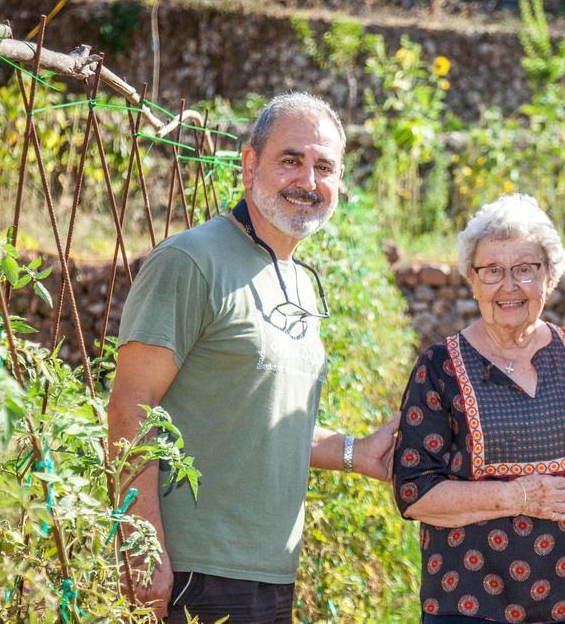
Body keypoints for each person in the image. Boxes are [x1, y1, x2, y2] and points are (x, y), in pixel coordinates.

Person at [107, 92, 398, 623]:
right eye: (290, 160)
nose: (307, 181)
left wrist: (356, 453)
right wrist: (142, 547)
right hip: (194, 568)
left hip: (272, 572)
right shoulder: (190, 261)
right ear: (249, 165)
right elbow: (131, 406)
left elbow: (254, 418)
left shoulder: (300, 283)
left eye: (324, 167)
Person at [392, 194, 565, 624]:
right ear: (472, 280)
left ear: (549, 277)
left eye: (525, 269)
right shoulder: (439, 367)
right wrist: (516, 496)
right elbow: (414, 493)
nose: (509, 286)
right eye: (493, 271)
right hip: (470, 604)